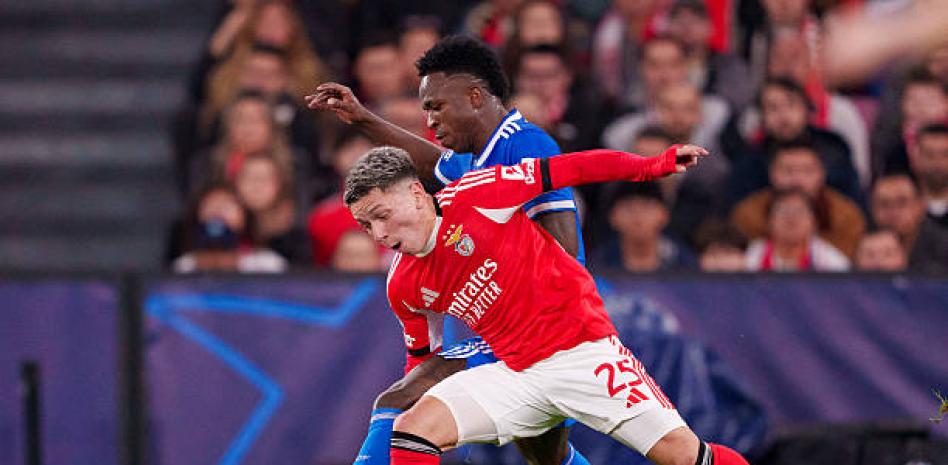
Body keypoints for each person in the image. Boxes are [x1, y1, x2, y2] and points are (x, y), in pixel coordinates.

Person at [343, 143, 748, 465]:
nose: (378, 234)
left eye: (381, 215)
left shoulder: (478, 194)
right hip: (515, 374)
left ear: (416, 194)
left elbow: (571, 168)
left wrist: (650, 166)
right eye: (365, 225)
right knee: (413, 429)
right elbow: (421, 361)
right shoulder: (402, 284)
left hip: (584, 355)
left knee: (685, 456)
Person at [307, 35, 588, 465]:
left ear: (474, 97)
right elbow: (430, 163)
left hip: (545, 328)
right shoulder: (477, 159)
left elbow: (565, 250)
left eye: (436, 107)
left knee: (399, 401)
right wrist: (363, 117)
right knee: (548, 456)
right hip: (518, 332)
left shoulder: (524, 145)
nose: (430, 120)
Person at [745, 189, 850, 272]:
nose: (791, 218)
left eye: (800, 211)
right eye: (783, 211)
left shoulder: (832, 262)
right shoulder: (753, 256)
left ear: (814, 222)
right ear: (769, 221)